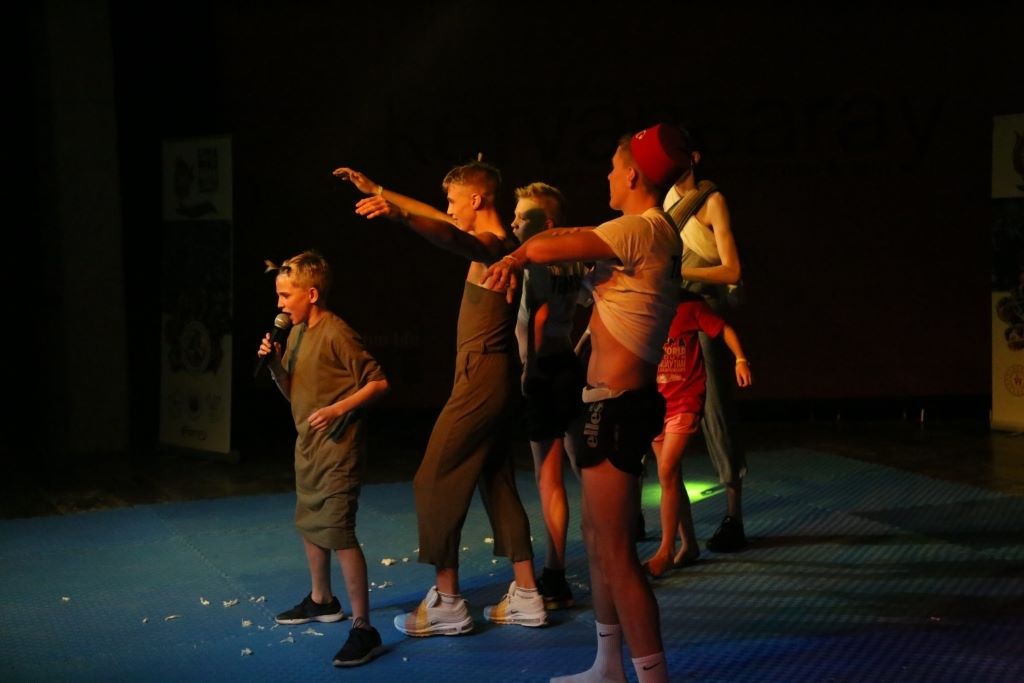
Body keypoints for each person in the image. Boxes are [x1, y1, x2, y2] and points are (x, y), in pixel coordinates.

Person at [483, 123, 687, 683]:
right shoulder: (649, 231)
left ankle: (651, 677)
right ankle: (607, 664)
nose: (606, 176)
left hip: (616, 408)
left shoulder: (638, 229)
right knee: (598, 543)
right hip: (608, 402)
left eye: (613, 167)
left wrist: (517, 255)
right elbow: (576, 235)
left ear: (633, 175)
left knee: (617, 555)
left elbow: (550, 246)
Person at [332, 161, 548, 636]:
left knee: (432, 480)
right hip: (494, 375)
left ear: (476, 199)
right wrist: (382, 188)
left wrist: (400, 216)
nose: (448, 209)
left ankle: (448, 601)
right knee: (496, 479)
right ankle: (528, 594)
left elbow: (452, 236)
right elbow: (443, 221)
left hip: (481, 376)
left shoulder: (492, 245)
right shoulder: (494, 242)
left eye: (454, 201)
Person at [257, 250, 390, 667]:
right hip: (308, 444)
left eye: (285, 295)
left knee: (338, 530)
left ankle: (364, 628)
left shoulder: (337, 333)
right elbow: (294, 392)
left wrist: (337, 409)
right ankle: (321, 599)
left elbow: (379, 382)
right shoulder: (296, 333)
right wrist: (274, 366)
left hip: (338, 447)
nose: (279, 304)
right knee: (310, 521)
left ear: (311, 294)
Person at [662, 123, 749, 553]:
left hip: (701, 309)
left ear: (693, 158)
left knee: (715, 409)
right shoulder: (664, 199)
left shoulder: (712, 201)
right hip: (669, 312)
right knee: (654, 404)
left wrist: (681, 272)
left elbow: (732, 269)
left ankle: (734, 514)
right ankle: (658, 522)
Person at [511, 182, 587, 610]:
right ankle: (613, 546)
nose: (514, 223)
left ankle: (555, 575)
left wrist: (530, 370)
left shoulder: (536, 260)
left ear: (548, 223)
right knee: (585, 468)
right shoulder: (573, 260)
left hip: (543, 370)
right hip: (569, 366)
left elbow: (538, 315)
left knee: (549, 477)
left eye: (523, 217)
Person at [643, 290, 753, 578]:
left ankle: (666, 550)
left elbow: (724, 328)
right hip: (657, 403)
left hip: (686, 400)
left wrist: (740, 359)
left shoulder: (689, 305)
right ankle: (689, 544)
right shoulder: (647, 306)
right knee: (670, 475)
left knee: (667, 470)